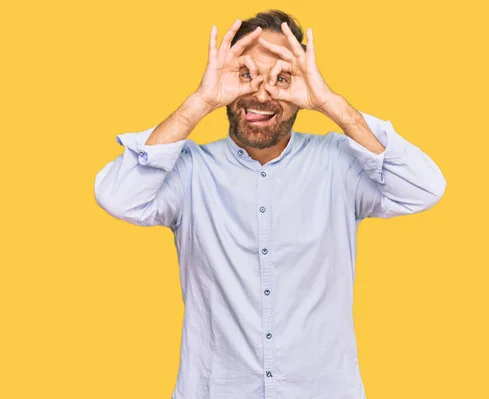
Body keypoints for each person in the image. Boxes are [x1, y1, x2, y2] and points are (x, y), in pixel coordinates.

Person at [94, 9, 446, 399]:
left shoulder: (339, 163)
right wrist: (200, 101)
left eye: (282, 78)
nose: (261, 93)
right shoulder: (190, 171)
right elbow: (117, 195)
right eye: (245, 75)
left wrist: (331, 104)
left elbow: (424, 187)